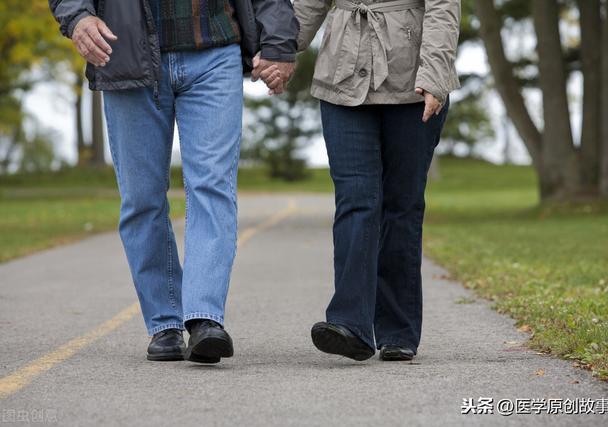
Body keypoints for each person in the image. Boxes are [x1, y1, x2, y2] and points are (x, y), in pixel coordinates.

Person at [48, 0, 299, 363]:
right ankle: (164, 323)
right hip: (126, 51)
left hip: (215, 52)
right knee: (141, 197)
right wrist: (77, 17)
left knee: (212, 187)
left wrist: (279, 44)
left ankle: (204, 318)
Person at [276, 0, 461, 361]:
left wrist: (435, 74)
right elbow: (308, 5)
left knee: (401, 205)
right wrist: (275, 51)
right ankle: (351, 325)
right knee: (355, 199)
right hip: (341, 79)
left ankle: (398, 331)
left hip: (413, 83)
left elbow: (443, 8)